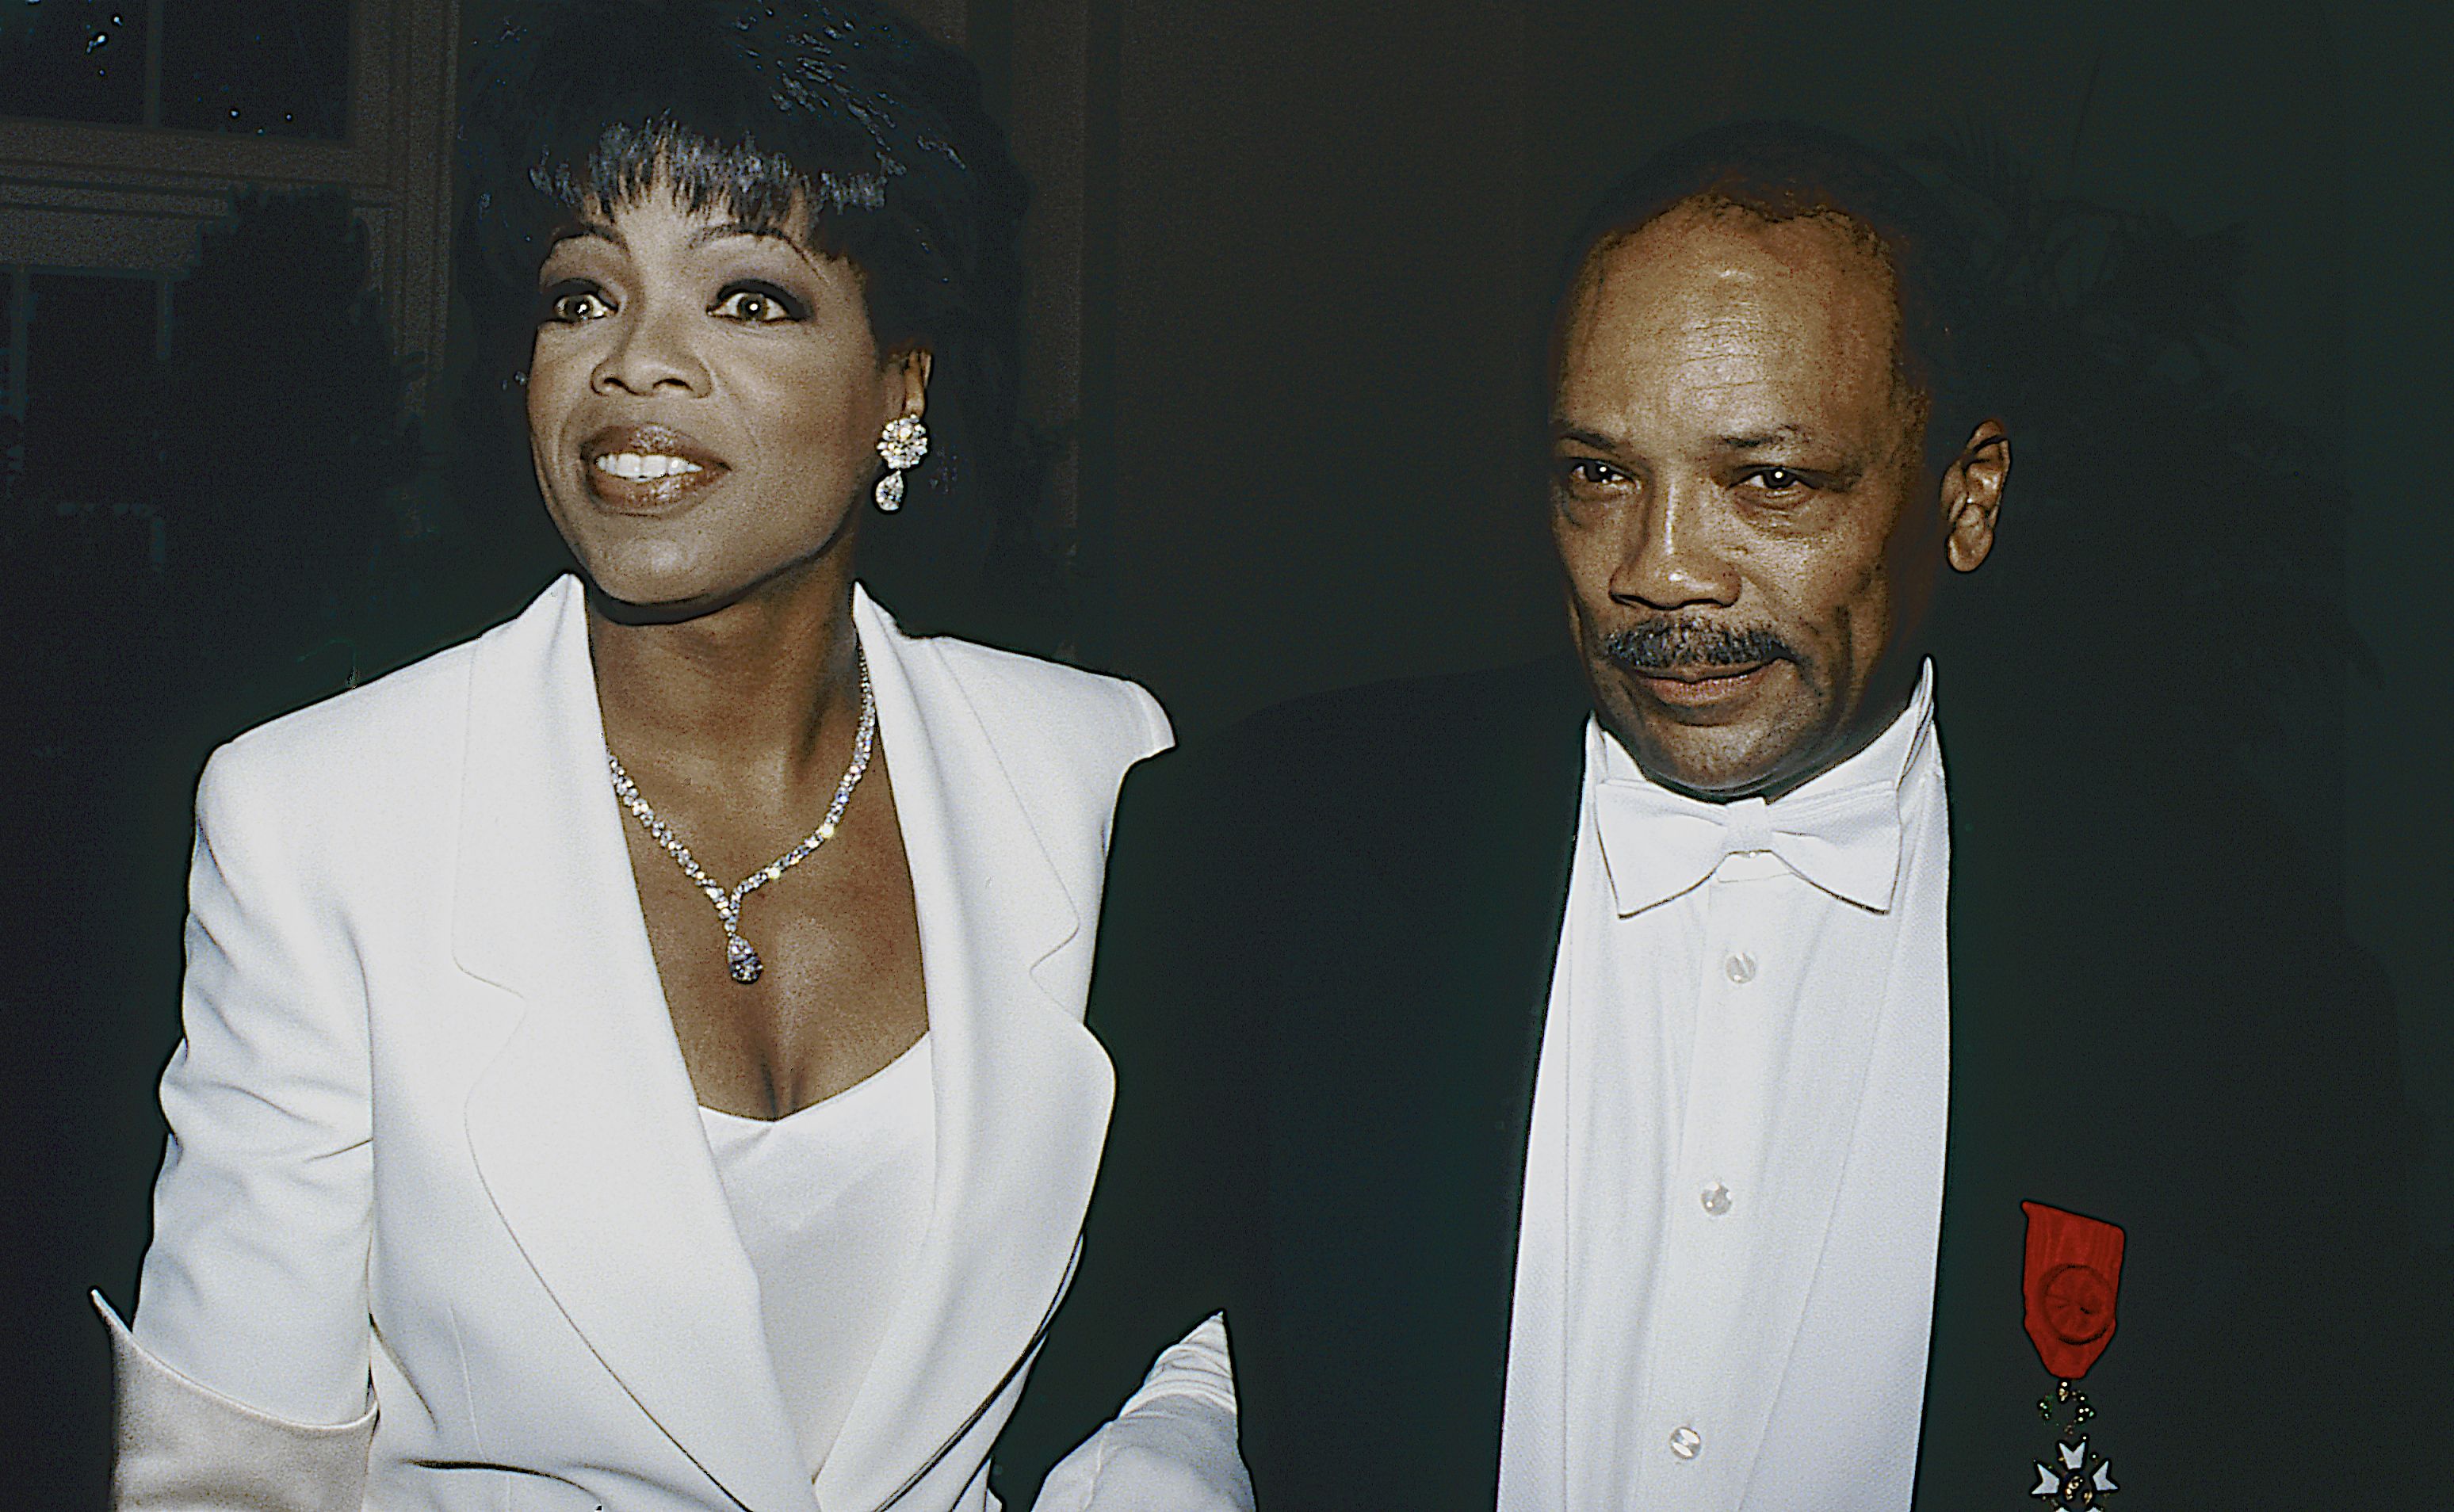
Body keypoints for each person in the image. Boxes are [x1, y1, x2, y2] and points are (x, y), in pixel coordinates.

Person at [997, 121, 2437, 1509]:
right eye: (1600, 474)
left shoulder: (2225, 963)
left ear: (1967, 499)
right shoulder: (1265, 847)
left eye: (1771, 481)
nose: (1661, 570)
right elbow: (1140, 1345)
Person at [90, 4, 1171, 1509]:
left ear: (900, 387)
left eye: (748, 297)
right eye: (580, 294)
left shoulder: (1097, 771)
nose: (635, 366)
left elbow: (1183, 1332)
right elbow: (231, 1476)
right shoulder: (317, 822)